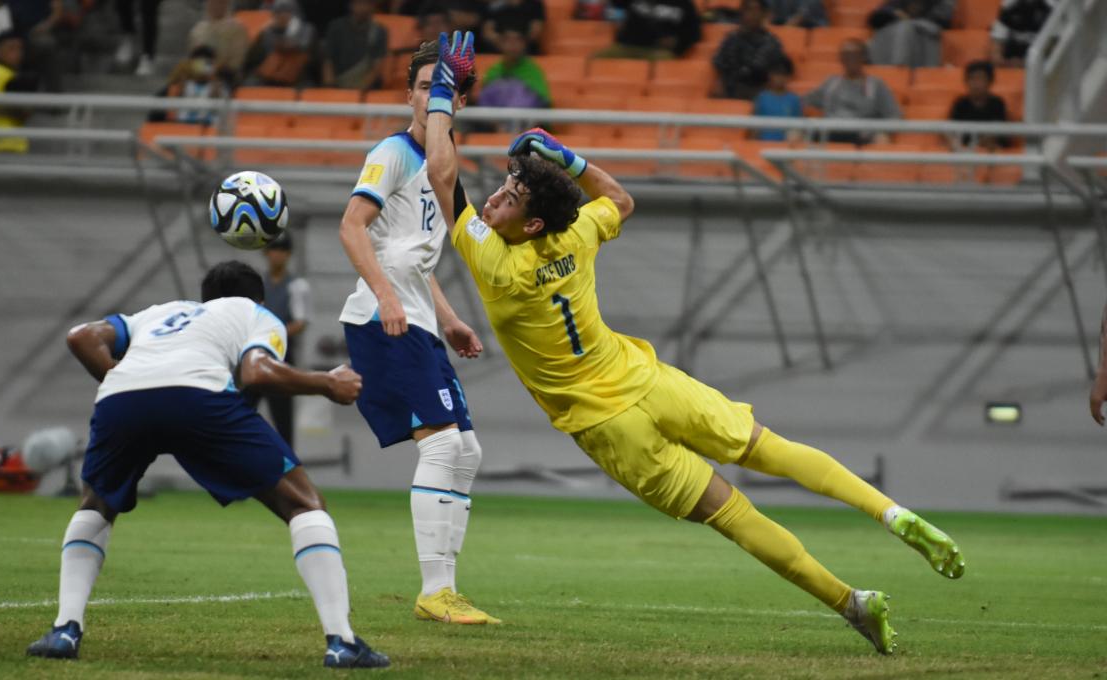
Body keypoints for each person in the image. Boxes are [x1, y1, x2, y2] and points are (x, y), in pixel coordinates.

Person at [424, 30, 966, 656]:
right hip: (649, 380)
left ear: (533, 223)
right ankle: (890, 512)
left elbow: (443, 174)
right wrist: (565, 158)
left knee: (736, 518)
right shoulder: (576, 238)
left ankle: (853, 604)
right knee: (775, 450)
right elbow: (621, 198)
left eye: (511, 197)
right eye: (502, 190)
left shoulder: (497, 265)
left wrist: (442, 92)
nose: (493, 199)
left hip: (608, 425)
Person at [23, 260, 390, 669]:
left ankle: (64, 630)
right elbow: (257, 373)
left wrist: (126, 382)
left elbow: (81, 337)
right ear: (259, 297)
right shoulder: (256, 313)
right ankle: (342, 641)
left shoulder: (160, 312)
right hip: (199, 398)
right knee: (303, 503)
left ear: (203, 300)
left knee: (95, 505)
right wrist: (326, 382)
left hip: (121, 397)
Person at [337, 39, 499, 625]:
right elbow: (353, 228)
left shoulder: (442, 161)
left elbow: (413, 257)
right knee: (442, 444)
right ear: (409, 95)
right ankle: (434, 591)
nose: (435, 96)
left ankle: (445, 589)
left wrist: (450, 318)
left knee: (467, 450)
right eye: (426, 86)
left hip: (420, 320)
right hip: (384, 321)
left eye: (445, 88)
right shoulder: (393, 153)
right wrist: (384, 295)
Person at [249, 234, 313, 445]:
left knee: (283, 421)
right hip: (255, 356)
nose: (277, 255)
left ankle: (287, 469)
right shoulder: (257, 284)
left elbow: (300, 322)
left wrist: (272, 332)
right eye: (274, 250)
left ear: (288, 254)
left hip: (281, 356)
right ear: (267, 253)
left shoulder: (296, 285)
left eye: (282, 250)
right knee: (241, 409)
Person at [803, 39, 900, 145]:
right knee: (799, 133)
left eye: (854, 55)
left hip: (862, 135)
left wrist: (881, 132)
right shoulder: (831, 83)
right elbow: (805, 101)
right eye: (845, 55)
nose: (849, 59)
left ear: (864, 57)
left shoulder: (876, 85)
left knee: (882, 140)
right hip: (830, 132)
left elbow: (894, 114)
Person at [712, 0, 786, 100]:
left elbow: (758, 68)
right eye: (747, 10)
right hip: (729, 90)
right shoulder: (731, 38)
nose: (751, 15)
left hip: (759, 92)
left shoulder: (772, 42)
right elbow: (719, 62)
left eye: (755, 10)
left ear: (764, 14)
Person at [0, 30, 34, 153]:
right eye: (11, 48)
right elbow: (22, 113)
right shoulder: (1, 75)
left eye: (19, 49)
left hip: (3, 144)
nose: (17, 53)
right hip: (3, 146)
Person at [597, 0, 700, 60]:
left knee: (665, 65)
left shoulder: (684, 4)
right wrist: (616, 22)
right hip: (625, 46)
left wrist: (677, 46)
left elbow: (694, 33)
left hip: (658, 52)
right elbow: (613, 5)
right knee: (596, 60)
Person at [244, 0, 313, 87]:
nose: (282, 15)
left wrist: (285, 43)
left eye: (287, 12)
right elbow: (255, 57)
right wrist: (274, 31)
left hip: (297, 76)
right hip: (268, 76)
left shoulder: (307, 30)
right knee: (250, 83)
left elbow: (303, 48)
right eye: (279, 13)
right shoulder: (267, 32)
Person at [478, 27, 549, 109]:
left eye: (518, 41)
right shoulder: (493, 71)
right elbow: (484, 102)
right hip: (493, 120)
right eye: (509, 41)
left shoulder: (533, 72)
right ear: (500, 44)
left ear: (524, 45)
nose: (513, 45)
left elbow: (543, 103)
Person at [867, 0, 953, 68]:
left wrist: (910, 20)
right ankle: (890, 70)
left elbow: (943, 19)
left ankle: (900, 68)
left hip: (925, 34)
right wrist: (897, 14)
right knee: (883, 33)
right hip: (899, 35)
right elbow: (876, 17)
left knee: (907, 28)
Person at [947, 61, 1009, 150]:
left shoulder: (997, 103)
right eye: (972, 79)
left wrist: (980, 142)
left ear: (990, 81)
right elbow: (951, 129)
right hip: (964, 147)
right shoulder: (960, 103)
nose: (976, 84)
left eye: (980, 79)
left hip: (989, 148)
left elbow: (1000, 132)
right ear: (966, 81)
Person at [160, 45, 226, 125]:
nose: (203, 67)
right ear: (192, 64)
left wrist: (214, 83)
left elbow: (222, 110)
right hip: (182, 124)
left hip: (207, 124)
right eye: (199, 63)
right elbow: (171, 109)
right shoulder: (182, 84)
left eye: (207, 63)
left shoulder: (217, 86)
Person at [188, 0, 248, 86]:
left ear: (226, 4)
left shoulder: (237, 29)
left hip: (226, 76)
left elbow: (236, 64)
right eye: (211, 2)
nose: (215, 5)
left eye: (219, 2)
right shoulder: (197, 30)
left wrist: (213, 69)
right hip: (198, 74)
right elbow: (192, 58)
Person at [752, 55, 802, 141]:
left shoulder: (794, 100)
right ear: (770, 75)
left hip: (786, 147)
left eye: (783, 74)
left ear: (789, 76)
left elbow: (798, 128)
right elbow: (754, 128)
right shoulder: (762, 98)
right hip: (763, 144)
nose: (780, 78)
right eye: (777, 73)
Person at [990, 0, 1053, 67]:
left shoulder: (1049, 7)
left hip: (1039, 66)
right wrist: (1004, 62)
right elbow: (996, 49)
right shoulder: (1009, 6)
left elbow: (1053, 50)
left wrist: (1024, 63)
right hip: (1011, 64)